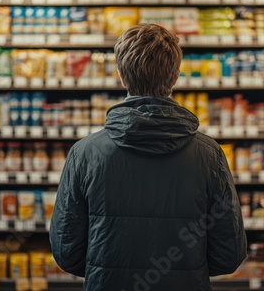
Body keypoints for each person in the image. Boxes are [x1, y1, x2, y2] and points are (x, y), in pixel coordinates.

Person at [50, 23, 247, 291]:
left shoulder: (84, 153)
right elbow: (228, 255)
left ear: (121, 76)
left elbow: (67, 252)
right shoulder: (209, 155)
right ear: (176, 76)